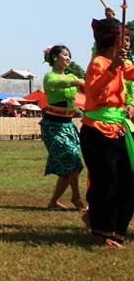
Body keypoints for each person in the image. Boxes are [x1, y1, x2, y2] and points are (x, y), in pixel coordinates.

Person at [80, 17, 134, 249]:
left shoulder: (123, 64)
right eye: (125, 37)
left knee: (128, 181)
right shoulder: (99, 63)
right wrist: (113, 67)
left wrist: (119, 65)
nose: (129, 42)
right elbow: (92, 89)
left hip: (119, 129)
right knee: (105, 182)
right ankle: (101, 234)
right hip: (97, 131)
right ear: (113, 39)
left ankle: (116, 232)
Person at [41, 45, 86, 211]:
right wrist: (76, 82)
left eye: (70, 56)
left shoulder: (72, 75)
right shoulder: (49, 76)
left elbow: (83, 94)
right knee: (72, 158)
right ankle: (76, 198)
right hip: (53, 126)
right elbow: (58, 83)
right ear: (54, 57)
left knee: (72, 164)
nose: (68, 58)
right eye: (65, 55)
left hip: (69, 125)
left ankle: (53, 202)